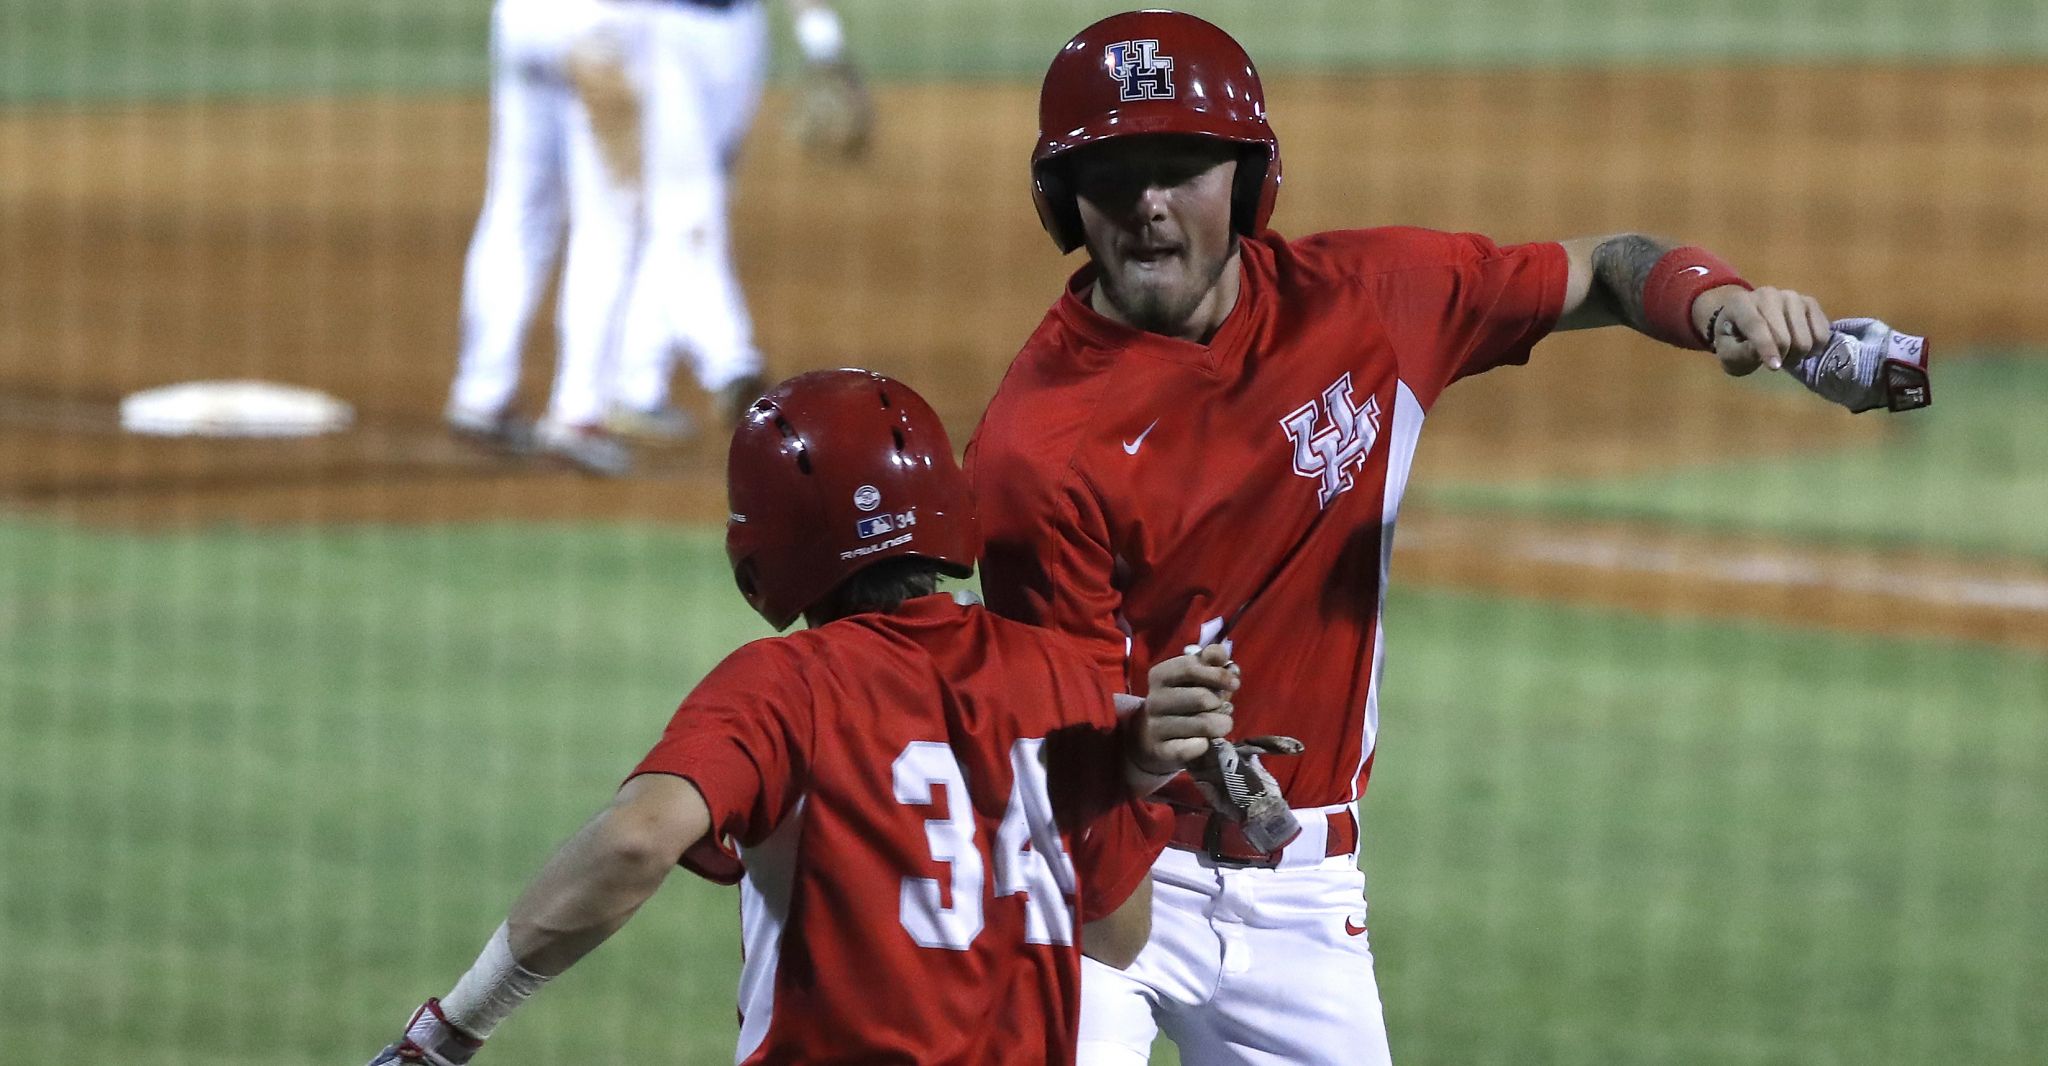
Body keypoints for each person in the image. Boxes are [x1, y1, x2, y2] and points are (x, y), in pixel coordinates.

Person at [966, 10, 1929, 1065]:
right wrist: (1137, 747)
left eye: (1181, 166)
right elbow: (1044, 741)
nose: (1148, 205)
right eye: (1112, 174)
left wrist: (1716, 305)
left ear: (1246, 182)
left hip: (1302, 888)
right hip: (1101, 875)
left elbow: (1602, 265)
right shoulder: (1034, 448)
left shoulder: (1367, 305)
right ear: (1062, 202)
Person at [369, 369, 1242, 1066]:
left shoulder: (781, 685)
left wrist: (450, 1032)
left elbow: (636, 841)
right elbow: (1115, 939)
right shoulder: (1063, 676)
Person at [445, 0, 869, 475]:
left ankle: (481, 394)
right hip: (599, 24)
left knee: (517, 205)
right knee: (610, 218)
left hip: (524, 17)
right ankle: (577, 413)